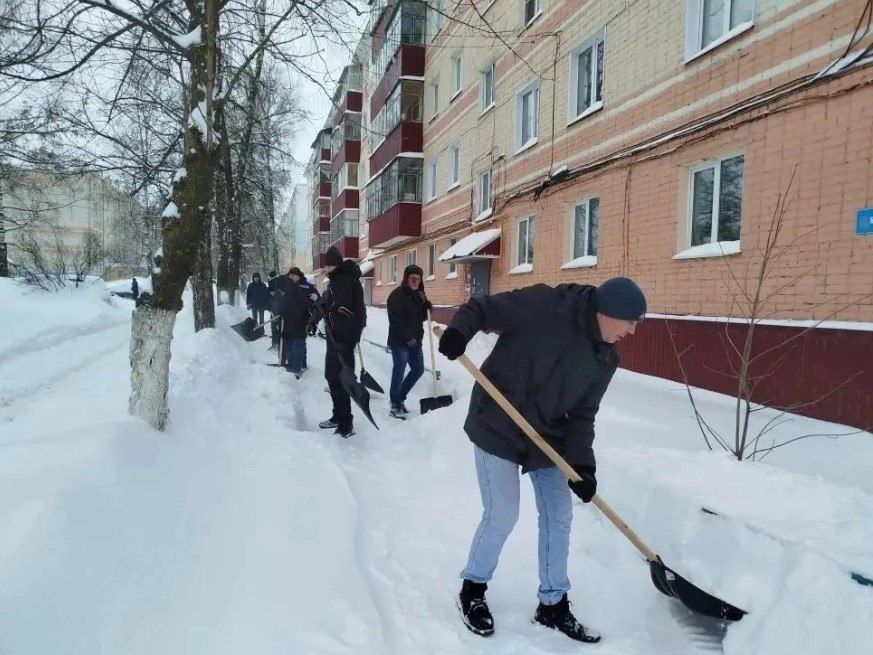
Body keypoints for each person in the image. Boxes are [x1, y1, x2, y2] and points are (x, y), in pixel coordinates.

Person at [437, 277, 647, 644]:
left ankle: (553, 604)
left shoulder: (605, 358)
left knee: (559, 516)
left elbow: (582, 416)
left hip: (547, 437)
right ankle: (473, 589)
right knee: (502, 512)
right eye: (629, 322)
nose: (631, 331)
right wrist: (459, 332)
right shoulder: (545, 304)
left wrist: (583, 467)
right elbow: (481, 308)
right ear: (605, 312)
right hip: (497, 420)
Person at [308, 247, 366, 439]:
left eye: (327, 265)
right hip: (337, 339)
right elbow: (326, 302)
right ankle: (338, 416)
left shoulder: (343, 281)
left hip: (342, 339)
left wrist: (335, 318)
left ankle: (345, 424)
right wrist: (314, 319)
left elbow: (344, 309)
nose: (325, 269)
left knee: (340, 380)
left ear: (333, 265)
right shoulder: (336, 281)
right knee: (333, 377)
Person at [386, 264, 432, 418]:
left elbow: (422, 317)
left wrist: (426, 307)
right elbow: (395, 320)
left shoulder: (419, 295)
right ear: (406, 278)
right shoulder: (397, 295)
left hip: (415, 341)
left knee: (418, 370)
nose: (415, 281)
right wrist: (408, 337)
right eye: (412, 278)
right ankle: (395, 405)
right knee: (399, 371)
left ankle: (400, 397)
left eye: (418, 279)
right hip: (399, 341)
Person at [281, 267, 319, 377]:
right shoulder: (286, 286)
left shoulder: (307, 286)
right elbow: (279, 302)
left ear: (299, 276)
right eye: (292, 275)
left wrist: (316, 298)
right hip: (287, 321)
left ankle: (301, 367)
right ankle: (293, 368)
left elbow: (318, 303)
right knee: (288, 345)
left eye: (296, 275)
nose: (294, 277)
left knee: (298, 345)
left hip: (301, 321)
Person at [267, 270, 281, 350]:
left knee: (274, 327)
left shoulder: (272, 283)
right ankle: (279, 344)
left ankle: (275, 344)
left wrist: (270, 307)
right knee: (279, 326)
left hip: (275, 308)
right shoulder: (281, 282)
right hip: (279, 309)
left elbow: (270, 297)